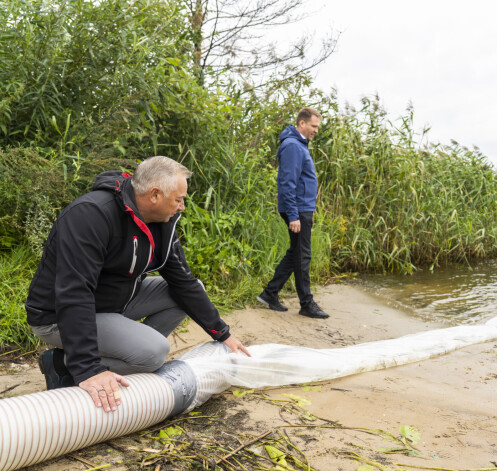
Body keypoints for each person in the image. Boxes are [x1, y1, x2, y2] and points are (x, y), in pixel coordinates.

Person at [25, 156, 250, 412]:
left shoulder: (161, 224)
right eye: (178, 199)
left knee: (189, 289)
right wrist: (88, 368)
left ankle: (120, 354)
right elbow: (74, 293)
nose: (182, 207)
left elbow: (183, 282)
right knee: (154, 353)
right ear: (154, 195)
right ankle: (63, 365)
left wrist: (222, 334)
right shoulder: (91, 214)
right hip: (57, 315)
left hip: (112, 303)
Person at [257, 107, 329, 319]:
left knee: (296, 252)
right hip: (298, 209)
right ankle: (306, 303)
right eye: (313, 126)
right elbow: (287, 183)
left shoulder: (298, 145)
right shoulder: (292, 146)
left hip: (302, 208)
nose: (316, 130)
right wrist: (294, 215)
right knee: (302, 256)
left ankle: (269, 293)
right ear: (302, 124)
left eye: (317, 126)